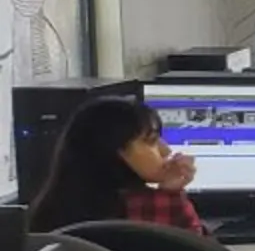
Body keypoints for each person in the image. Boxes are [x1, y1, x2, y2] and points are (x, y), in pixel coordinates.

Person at [27, 96, 205, 234]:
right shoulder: (152, 207)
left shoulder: (49, 211)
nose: (166, 150)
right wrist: (171, 195)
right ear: (115, 149)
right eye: (150, 141)